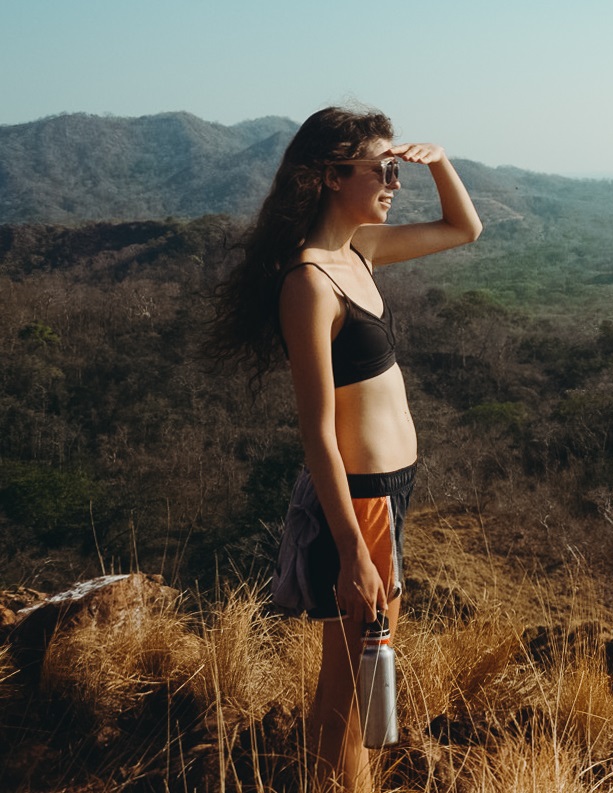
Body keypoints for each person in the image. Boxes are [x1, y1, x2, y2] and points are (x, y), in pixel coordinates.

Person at [207, 105, 481, 790]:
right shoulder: (309, 283)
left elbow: (462, 227)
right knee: (356, 683)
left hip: (389, 493)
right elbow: (318, 433)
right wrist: (354, 549)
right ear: (332, 176)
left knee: (367, 671)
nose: (395, 181)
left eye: (397, 168)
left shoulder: (355, 253)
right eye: (382, 170)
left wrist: (440, 161)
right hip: (359, 504)